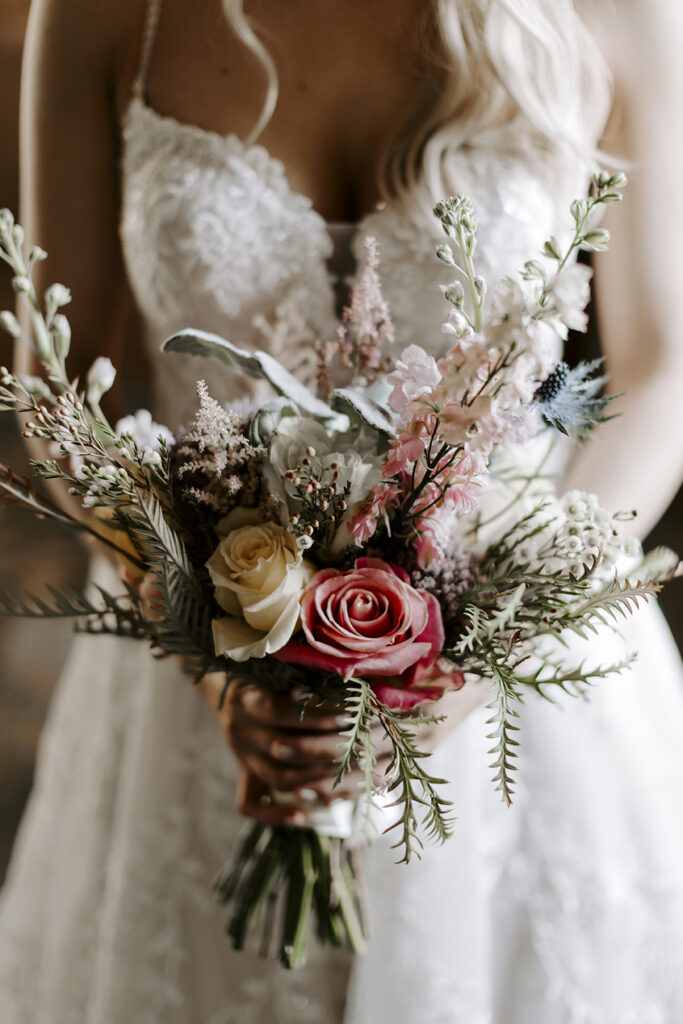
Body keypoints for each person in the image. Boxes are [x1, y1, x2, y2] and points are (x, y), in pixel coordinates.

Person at [1, 0, 683, 1021]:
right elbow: (59, 397)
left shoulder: (619, 13)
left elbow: (662, 366)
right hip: (198, 691)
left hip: (516, 680)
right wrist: (207, 645)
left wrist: (486, 639)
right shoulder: (107, 16)